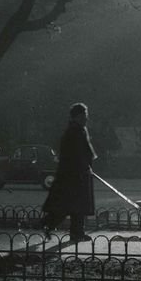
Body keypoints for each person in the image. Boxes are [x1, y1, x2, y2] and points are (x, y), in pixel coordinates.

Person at [42, 103, 97, 242]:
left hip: (77, 174)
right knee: (70, 206)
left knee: (75, 206)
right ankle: (49, 225)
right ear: (78, 116)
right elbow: (76, 154)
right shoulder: (74, 132)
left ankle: (76, 232)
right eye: (85, 115)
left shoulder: (78, 130)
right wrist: (85, 166)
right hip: (73, 176)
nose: (87, 118)